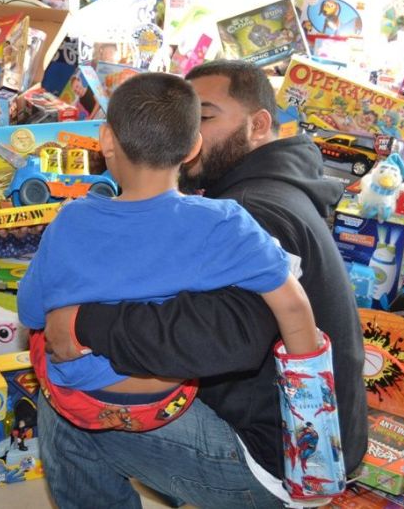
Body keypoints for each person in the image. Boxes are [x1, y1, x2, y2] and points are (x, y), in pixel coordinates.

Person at [41, 61, 368, 508]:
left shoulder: (256, 212)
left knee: (68, 404)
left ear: (257, 125)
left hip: (279, 459)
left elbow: (219, 340)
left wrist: (84, 324)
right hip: (294, 430)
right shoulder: (261, 191)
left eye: (205, 116)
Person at [18, 71, 319, 435]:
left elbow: (30, 310)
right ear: (193, 147)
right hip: (164, 404)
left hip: (81, 400)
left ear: (106, 141)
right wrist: (310, 406)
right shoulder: (224, 221)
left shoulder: (70, 218)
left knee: (38, 336)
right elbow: (293, 304)